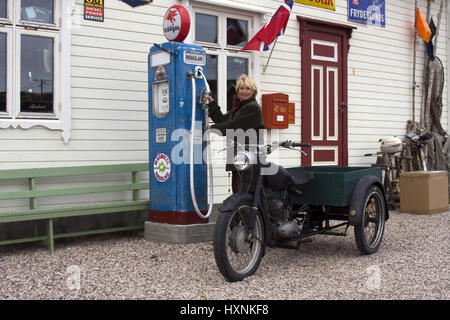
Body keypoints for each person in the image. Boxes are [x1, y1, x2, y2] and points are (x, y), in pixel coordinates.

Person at [204, 74, 265, 193]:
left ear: (253, 91)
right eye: (241, 88)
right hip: (239, 156)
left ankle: (248, 212)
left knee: (245, 195)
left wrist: (213, 128)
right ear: (237, 91)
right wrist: (212, 104)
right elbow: (223, 120)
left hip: (248, 157)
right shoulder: (239, 108)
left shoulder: (252, 108)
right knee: (237, 193)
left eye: (248, 88)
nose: (244, 91)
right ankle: (239, 212)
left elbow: (234, 125)